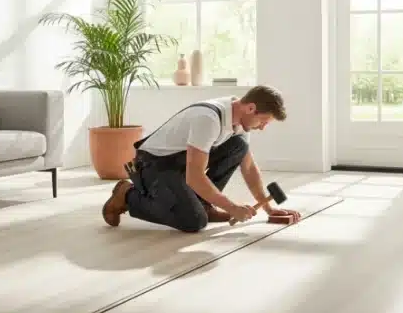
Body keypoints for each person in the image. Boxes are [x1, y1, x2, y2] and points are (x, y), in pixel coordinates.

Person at [101, 85, 301, 232]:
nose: (262, 127)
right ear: (250, 108)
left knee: (239, 147)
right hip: (156, 165)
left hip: (184, 165)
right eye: (263, 121)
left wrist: (268, 207)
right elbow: (194, 176)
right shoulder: (208, 119)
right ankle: (126, 195)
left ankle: (203, 204)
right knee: (194, 222)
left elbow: (248, 167)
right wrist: (231, 207)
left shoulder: (241, 121)